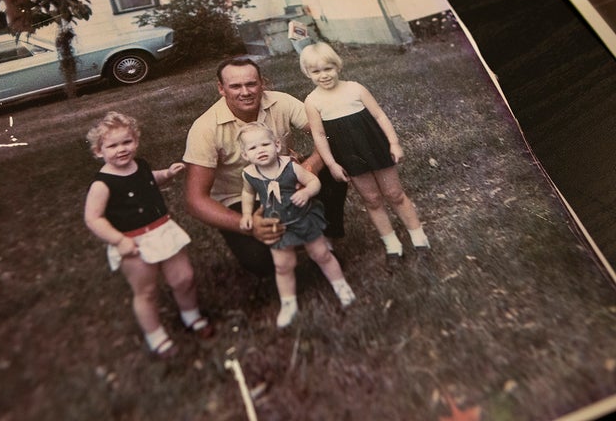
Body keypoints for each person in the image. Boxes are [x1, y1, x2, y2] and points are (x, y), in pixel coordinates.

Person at [183, 57, 348, 277]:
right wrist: (248, 224)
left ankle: (324, 239)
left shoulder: (281, 102)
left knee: (334, 163)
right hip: (242, 198)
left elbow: (328, 135)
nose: (245, 92)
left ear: (263, 83)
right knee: (260, 262)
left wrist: (309, 167)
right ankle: (280, 242)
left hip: (288, 183)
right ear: (221, 89)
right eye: (235, 86)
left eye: (251, 84)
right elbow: (195, 200)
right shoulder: (204, 128)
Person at [84, 111, 213, 359]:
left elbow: (146, 180)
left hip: (162, 230)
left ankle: (191, 315)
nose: (121, 149)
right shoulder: (102, 184)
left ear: (136, 141)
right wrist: (119, 240)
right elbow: (93, 218)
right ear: (99, 152)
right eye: (112, 146)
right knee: (146, 291)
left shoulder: (139, 165)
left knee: (183, 278)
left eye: (127, 142)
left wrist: (166, 175)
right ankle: (156, 335)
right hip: (133, 241)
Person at [300, 42, 431, 273]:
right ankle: (392, 245)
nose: (324, 75)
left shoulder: (355, 89)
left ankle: (419, 239)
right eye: (316, 71)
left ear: (337, 66)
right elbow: (319, 135)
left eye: (328, 68)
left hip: (375, 146)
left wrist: (394, 143)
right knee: (371, 199)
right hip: (349, 156)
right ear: (308, 73)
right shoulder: (312, 101)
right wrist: (331, 163)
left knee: (395, 194)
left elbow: (379, 116)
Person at [238, 122, 355, 327]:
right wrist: (247, 214)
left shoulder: (290, 166)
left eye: (265, 144)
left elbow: (314, 182)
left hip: (302, 219)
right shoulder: (250, 174)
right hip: (277, 225)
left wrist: (306, 192)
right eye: (253, 148)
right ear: (245, 155)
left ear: (276, 145)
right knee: (282, 266)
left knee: (321, 254)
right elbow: (247, 193)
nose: (260, 151)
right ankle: (288, 303)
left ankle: (341, 286)